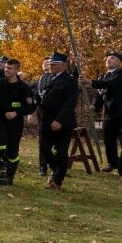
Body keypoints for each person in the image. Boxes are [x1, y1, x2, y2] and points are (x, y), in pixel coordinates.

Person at [80, 51, 122, 184]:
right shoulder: (103, 77)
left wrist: (89, 81)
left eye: (112, 58)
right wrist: (95, 106)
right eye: (107, 58)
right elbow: (100, 94)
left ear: (119, 62)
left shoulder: (121, 74)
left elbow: (109, 84)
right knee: (108, 139)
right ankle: (112, 162)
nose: (108, 60)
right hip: (110, 113)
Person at [0, 59, 36, 185]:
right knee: (0, 142)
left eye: (9, 68)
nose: (6, 70)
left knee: (12, 149)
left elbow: (31, 106)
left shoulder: (24, 88)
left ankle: (9, 176)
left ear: (16, 70)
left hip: (15, 123)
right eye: (5, 68)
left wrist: (16, 113)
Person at [37, 52, 78, 190]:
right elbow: (41, 97)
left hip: (62, 122)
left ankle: (57, 181)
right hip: (46, 120)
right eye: (50, 64)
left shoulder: (70, 80)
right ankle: (57, 171)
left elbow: (69, 103)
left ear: (63, 66)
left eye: (54, 64)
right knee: (44, 148)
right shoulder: (47, 78)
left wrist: (59, 120)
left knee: (61, 152)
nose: (51, 66)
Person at [33, 58, 53, 176]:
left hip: (55, 113)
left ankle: (56, 165)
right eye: (44, 62)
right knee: (42, 141)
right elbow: (35, 95)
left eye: (49, 62)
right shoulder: (39, 79)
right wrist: (32, 112)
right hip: (43, 112)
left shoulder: (57, 78)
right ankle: (42, 167)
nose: (46, 64)